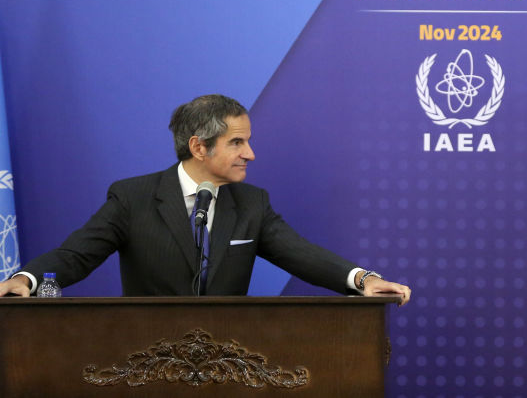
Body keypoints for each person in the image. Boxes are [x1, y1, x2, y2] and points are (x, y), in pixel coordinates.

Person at [0, 94, 411, 304]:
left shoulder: (252, 204)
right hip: (143, 359)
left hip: (228, 362)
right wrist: (27, 280)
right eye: (237, 143)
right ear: (199, 147)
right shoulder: (133, 198)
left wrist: (363, 280)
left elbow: (301, 254)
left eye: (248, 141)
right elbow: (76, 255)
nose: (250, 154)